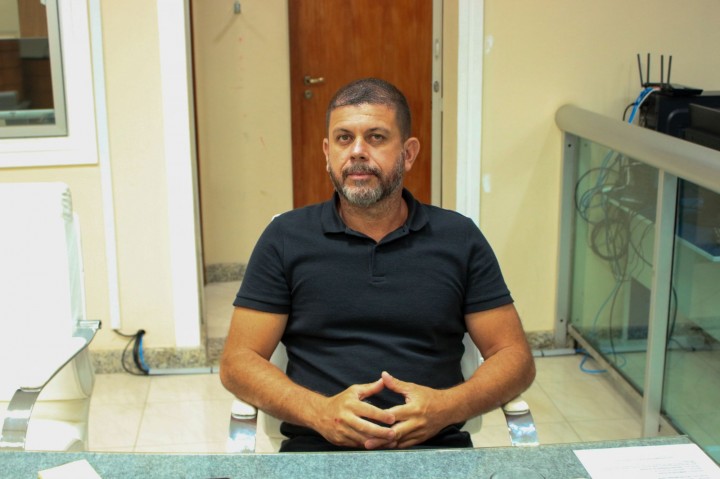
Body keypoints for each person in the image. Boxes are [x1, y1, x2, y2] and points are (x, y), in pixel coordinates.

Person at [220, 78, 535, 452]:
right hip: (316, 449)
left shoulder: (458, 238)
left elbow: (514, 357)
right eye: (343, 138)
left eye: (376, 137)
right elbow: (238, 362)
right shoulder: (285, 237)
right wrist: (319, 412)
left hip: (436, 450)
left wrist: (447, 407)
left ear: (408, 153)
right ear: (327, 152)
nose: (357, 152)